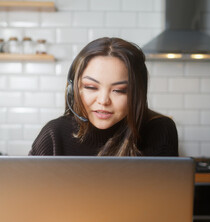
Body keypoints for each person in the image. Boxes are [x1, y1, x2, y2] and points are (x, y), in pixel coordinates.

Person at [29, 37, 178, 156]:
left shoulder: (160, 130)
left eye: (119, 90)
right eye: (91, 87)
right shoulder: (54, 133)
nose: (103, 101)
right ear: (73, 90)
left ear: (137, 94)